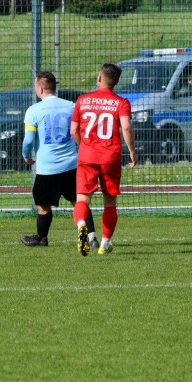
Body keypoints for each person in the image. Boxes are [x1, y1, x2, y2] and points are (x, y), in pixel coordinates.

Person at [20, 72, 96, 249]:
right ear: (55, 87)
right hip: (72, 164)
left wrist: (25, 155)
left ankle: (42, 237)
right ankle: (91, 237)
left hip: (47, 168)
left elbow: (29, 140)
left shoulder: (34, 110)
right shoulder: (71, 106)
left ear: (39, 89)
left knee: (44, 207)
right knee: (79, 202)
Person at [70, 62, 137, 256]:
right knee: (110, 202)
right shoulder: (121, 102)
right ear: (116, 82)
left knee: (82, 198)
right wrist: (132, 151)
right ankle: (105, 245)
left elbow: (73, 130)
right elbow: (126, 127)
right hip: (110, 157)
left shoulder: (82, 100)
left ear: (99, 78)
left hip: (87, 155)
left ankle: (82, 224)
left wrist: (84, 146)